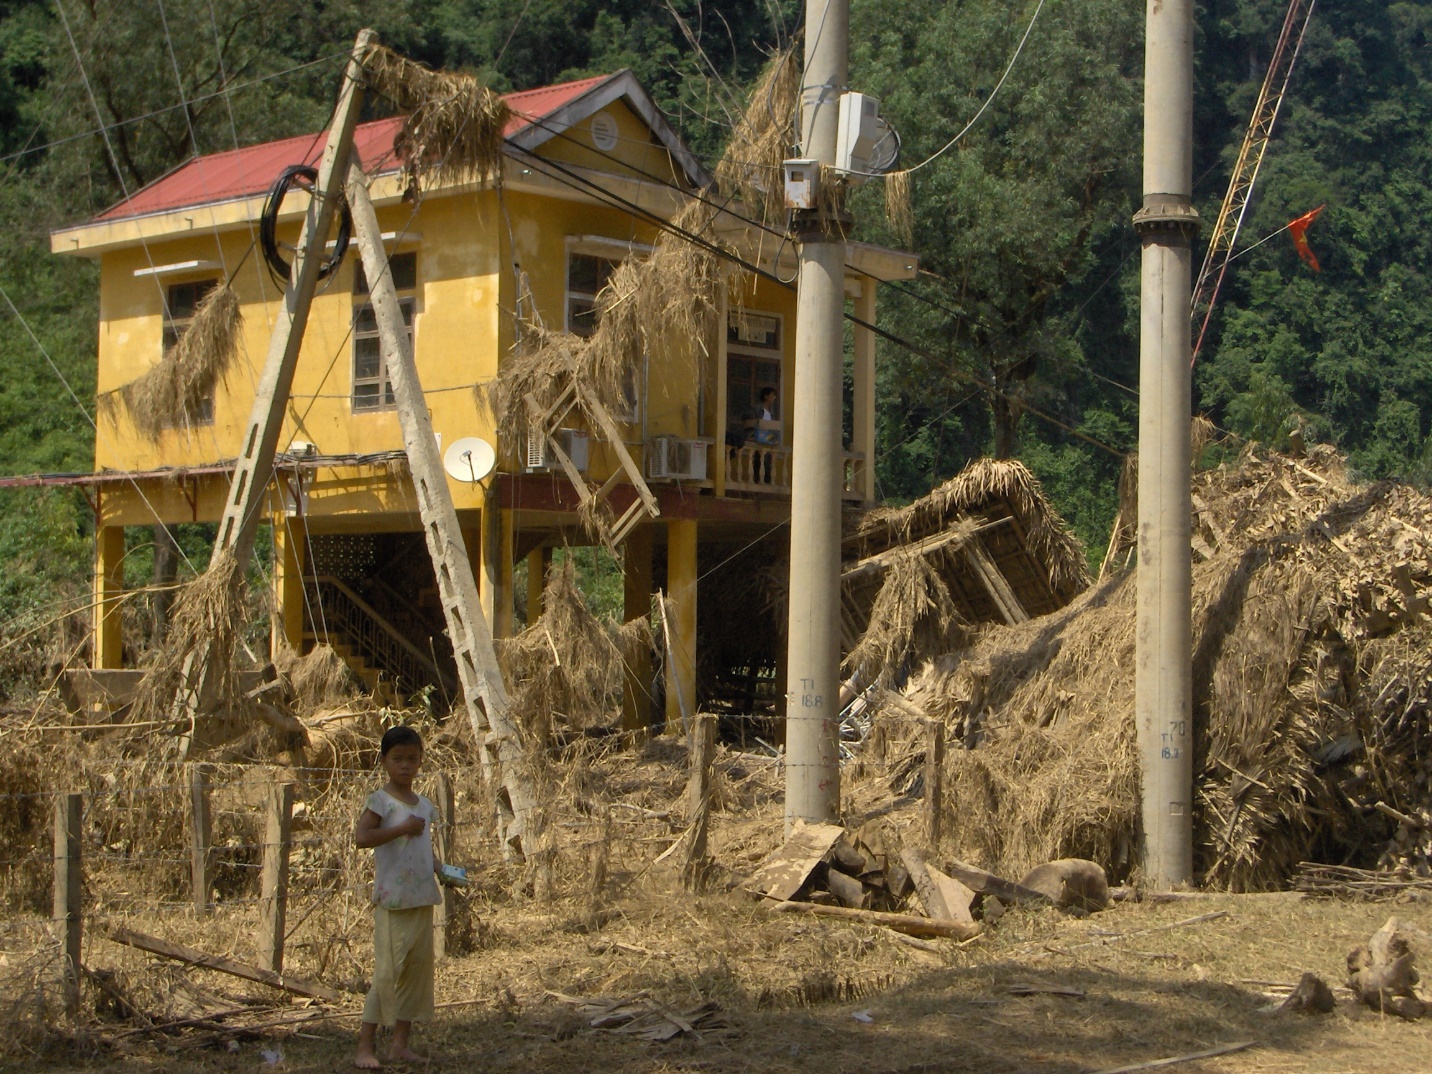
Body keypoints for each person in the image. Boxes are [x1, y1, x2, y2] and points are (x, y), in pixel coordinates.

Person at [354, 726, 443, 1069]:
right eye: (398, 759)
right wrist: (401, 829)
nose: (405, 766)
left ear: (421, 761)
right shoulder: (381, 801)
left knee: (416, 975)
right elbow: (363, 837)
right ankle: (365, 1047)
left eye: (412, 759)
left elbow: (424, 849)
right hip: (393, 901)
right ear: (384, 762)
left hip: (421, 897)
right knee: (387, 974)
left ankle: (400, 1044)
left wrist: (441, 869)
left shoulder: (424, 805)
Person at [753, 386, 779, 482]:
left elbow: (772, 426)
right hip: (759, 440)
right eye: (772, 395)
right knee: (758, 462)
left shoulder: (771, 412)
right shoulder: (758, 409)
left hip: (768, 440)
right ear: (766, 396)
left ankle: (766, 480)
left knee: (768, 464)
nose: (774, 398)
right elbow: (753, 423)